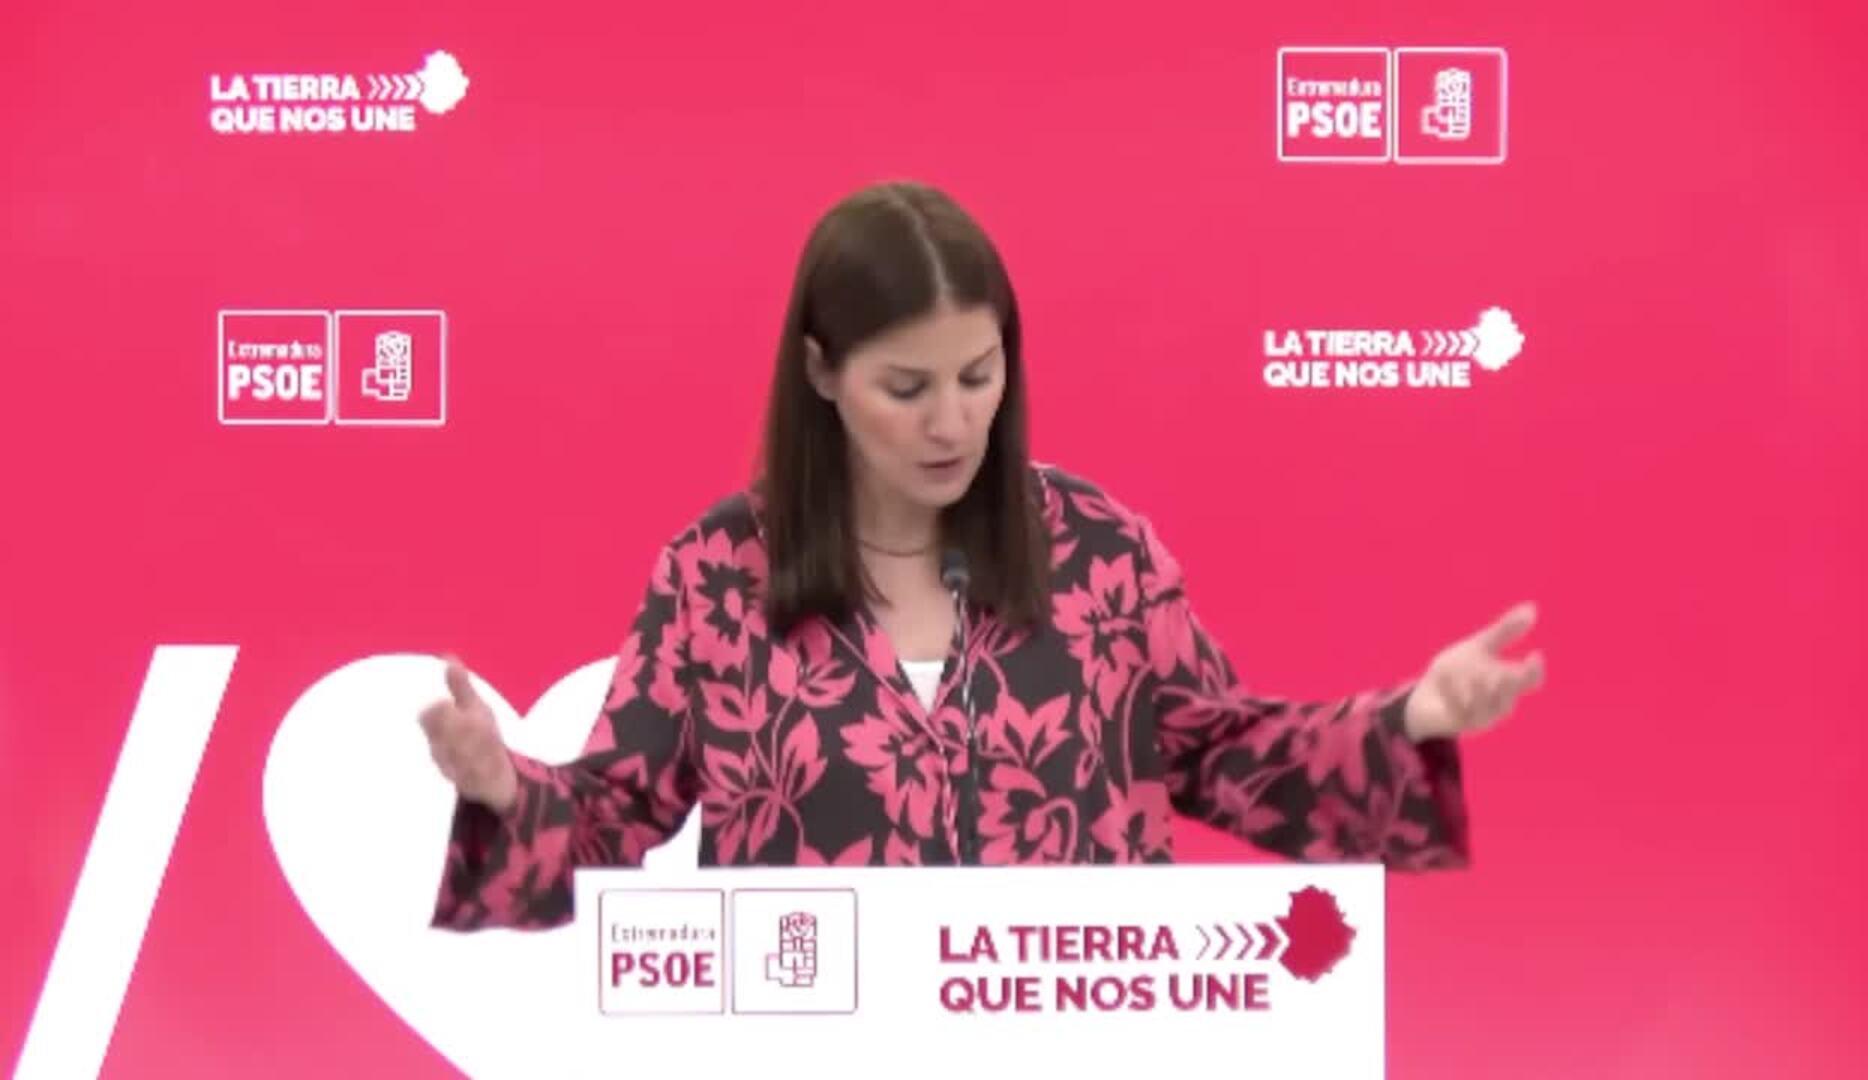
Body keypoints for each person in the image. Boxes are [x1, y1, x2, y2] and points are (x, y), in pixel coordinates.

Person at [420, 180, 1546, 932]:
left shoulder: (1100, 554)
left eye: (978, 376)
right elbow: (613, 816)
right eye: (906, 389)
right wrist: (501, 786)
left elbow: (1229, 757)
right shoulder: (717, 574)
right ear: (822, 373)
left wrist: (1413, 718)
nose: (952, 423)